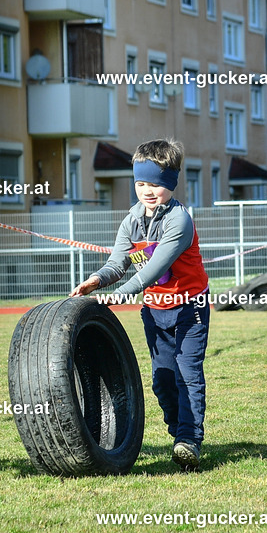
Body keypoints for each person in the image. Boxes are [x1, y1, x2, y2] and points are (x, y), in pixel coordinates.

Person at [70, 140, 210, 472]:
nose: (147, 191)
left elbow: (153, 269)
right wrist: (96, 280)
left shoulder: (179, 221)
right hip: (155, 311)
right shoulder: (131, 221)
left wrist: (123, 294)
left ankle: (189, 439)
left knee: (187, 374)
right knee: (163, 380)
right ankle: (179, 436)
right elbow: (117, 263)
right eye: (141, 183)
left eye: (156, 184)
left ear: (171, 183)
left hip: (190, 308)